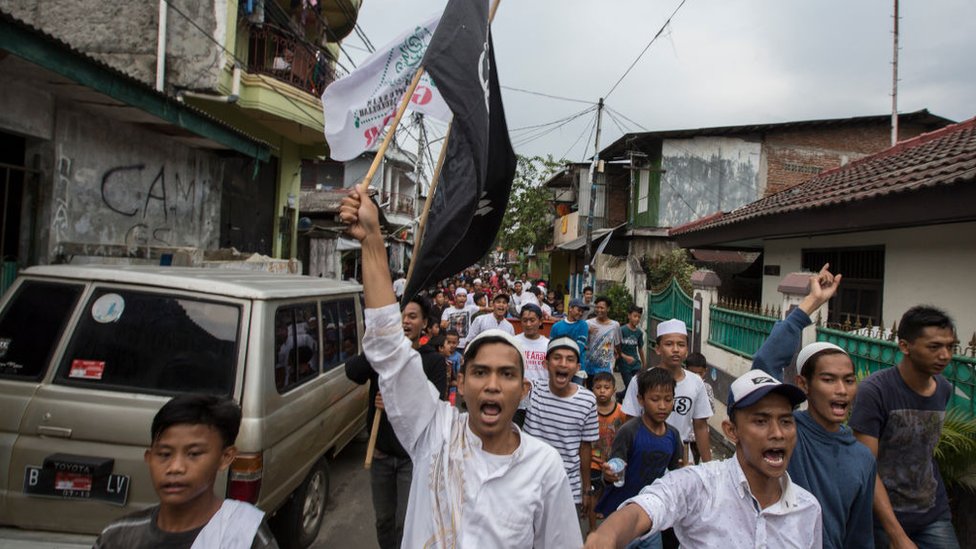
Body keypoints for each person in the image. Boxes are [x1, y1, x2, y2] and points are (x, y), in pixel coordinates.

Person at [340, 184, 582, 548]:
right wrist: (372, 239)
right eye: (481, 372)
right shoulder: (433, 431)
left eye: (507, 374)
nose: (492, 385)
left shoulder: (544, 467)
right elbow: (388, 347)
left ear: (525, 389)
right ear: (462, 381)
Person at [584, 370, 822, 549]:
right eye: (761, 421)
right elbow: (651, 504)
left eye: (786, 421)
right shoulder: (701, 486)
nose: (778, 433)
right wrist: (608, 535)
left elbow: (675, 466)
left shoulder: (808, 510)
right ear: (731, 431)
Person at [749, 265, 875, 549]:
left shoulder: (863, 458)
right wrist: (812, 303)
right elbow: (765, 366)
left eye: (849, 380)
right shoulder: (789, 433)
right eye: (829, 380)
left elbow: (859, 535)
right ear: (804, 385)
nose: (841, 390)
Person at [94, 395, 277, 549]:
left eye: (194, 454)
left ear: (225, 457)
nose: (175, 468)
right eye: (164, 454)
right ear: (149, 458)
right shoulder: (119, 537)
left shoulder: (244, 534)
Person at [850, 306, 961, 549]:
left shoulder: (943, 389)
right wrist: (896, 534)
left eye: (950, 347)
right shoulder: (875, 391)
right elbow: (866, 467)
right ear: (904, 346)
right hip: (881, 516)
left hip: (932, 513)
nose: (945, 355)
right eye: (934, 347)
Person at [344, 296, 448, 549]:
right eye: (401, 316)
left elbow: (436, 406)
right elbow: (353, 372)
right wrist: (379, 343)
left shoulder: (432, 361)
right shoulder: (383, 356)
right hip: (380, 455)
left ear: (424, 323)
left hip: (412, 459)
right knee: (384, 521)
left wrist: (394, 399)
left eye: (412, 316)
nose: (405, 321)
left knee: (406, 522)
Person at [595, 369, 683, 549]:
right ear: (641, 399)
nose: (662, 406)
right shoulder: (629, 431)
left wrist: (685, 473)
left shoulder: (673, 436)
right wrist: (609, 476)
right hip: (620, 516)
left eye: (668, 399)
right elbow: (614, 470)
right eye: (655, 399)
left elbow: (676, 476)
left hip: (650, 519)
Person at [522, 337, 600, 525]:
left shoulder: (587, 400)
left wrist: (587, 488)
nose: (563, 363)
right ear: (546, 364)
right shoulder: (531, 391)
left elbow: (585, 446)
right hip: (528, 485)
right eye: (557, 358)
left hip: (567, 488)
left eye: (570, 359)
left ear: (577, 367)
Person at [622, 319, 713, 464]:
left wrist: (710, 467)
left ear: (687, 350)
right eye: (669, 344)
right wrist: (624, 459)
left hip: (681, 459)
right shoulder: (640, 380)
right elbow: (630, 422)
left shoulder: (696, 383)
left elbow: (701, 426)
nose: (676, 349)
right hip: (645, 456)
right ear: (658, 348)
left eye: (681, 344)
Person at [589, 371, 629, 532]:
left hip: (614, 460)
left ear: (614, 390)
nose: (602, 391)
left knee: (611, 488)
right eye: (598, 387)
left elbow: (628, 432)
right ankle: (592, 527)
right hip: (593, 459)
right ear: (592, 390)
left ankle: (608, 519)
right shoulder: (589, 411)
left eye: (606, 387)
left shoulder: (621, 411)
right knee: (594, 490)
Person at [682, 352, 713, 465]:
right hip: (683, 435)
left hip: (696, 437)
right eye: (693, 373)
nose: (697, 376)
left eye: (700, 373)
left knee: (693, 464)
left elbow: (708, 412)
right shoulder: (681, 385)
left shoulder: (706, 388)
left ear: (705, 371)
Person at [550, 298, 590, 377]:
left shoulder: (583, 325)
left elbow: (579, 347)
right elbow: (551, 346)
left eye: (582, 311)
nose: (580, 313)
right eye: (578, 310)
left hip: (578, 368)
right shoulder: (556, 326)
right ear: (570, 308)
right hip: (559, 367)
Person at [514, 303, 550, 385]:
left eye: (532, 320)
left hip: (542, 392)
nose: (528, 324)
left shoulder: (548, 345)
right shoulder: (514, 342)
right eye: (525, 320)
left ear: (540, 321)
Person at [617, 306, 647, 395]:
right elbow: (615, 347)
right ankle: (620, 395)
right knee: (630, 386)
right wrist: (624, 357)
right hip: (623, 364)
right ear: (629, 316)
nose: (637, 319)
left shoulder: (639, 332)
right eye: (635, 316)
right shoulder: (622, 330)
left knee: (638, 385)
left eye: (639, 317)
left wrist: (644, 363)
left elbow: (640, 348)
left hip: (636, 363)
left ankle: (621, 395)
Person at [440, 287, 480, 352]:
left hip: (466, 345)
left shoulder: (470, 308)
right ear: (455, 298)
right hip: (451, 346)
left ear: (466, 299)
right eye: (459, 296)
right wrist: (444, 325)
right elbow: (442, 324)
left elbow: (486, 308)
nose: (462, 298)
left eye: (464, 296)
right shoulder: (448, 310)